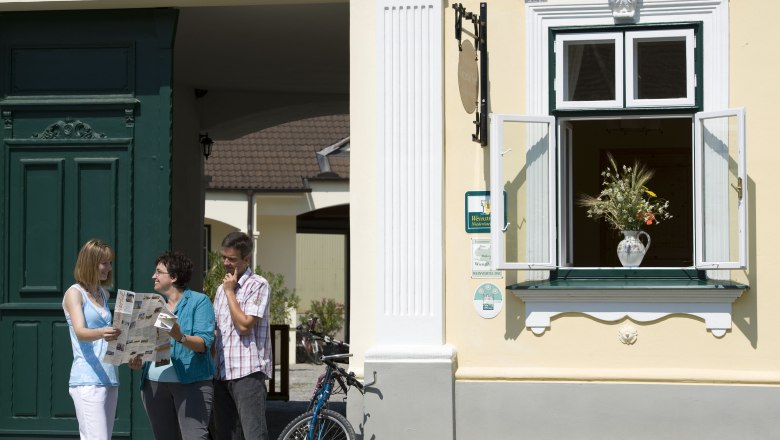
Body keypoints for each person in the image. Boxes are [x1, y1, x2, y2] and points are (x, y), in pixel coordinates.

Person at [129, 251, 215, 440]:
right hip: (153, 384)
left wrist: (180, 336)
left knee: (195, 438)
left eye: (159, 272)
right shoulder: (152, 306)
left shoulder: (199, 302)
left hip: (191, 383)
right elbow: (145, 345)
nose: (154, 276)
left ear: (174, 277)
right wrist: (137, 359)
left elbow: (203, 343)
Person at [212, 231, 272, 440]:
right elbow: (217, 330)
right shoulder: (221, 289)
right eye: (223, 257)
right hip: (221, 372)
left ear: (246, 259)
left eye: (232, 259)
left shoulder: (258, 285)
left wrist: (230, 292)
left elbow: (245, 325)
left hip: (248, 372)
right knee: (226, 436)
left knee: (254, 434)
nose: (226, 263)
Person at [62, 239, 121, 440]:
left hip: (110, 377)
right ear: (90, 263)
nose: (109, 268)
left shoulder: (104, 294)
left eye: (110, 262)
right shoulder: (74, 293)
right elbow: (80, 331)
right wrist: (104, 331)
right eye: (104, 263)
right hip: (87, 379)